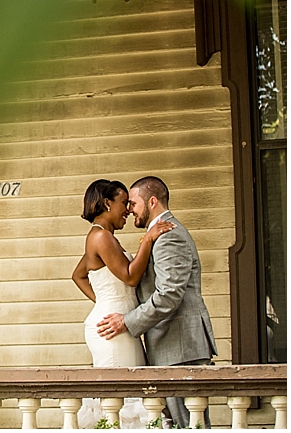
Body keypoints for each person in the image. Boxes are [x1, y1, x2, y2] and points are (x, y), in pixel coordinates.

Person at [96, 176, 218, 429]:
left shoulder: (169, 235)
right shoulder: (158, 234)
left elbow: (169, 294)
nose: (130, 209)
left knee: (189, 426)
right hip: (170, 347)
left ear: (152, 201)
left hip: (181, 347)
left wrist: (127, 322)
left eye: (133, 203)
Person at [71, 179, 174, 428]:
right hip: (113, 331)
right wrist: (147, 240)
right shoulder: (101, 237)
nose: (128, 209)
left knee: (133, 397)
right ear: (107, 203)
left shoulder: (102, 237)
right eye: (123, 203)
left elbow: (78, 274)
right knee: (122, 401)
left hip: (121, 326)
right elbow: (130, 276)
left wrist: (106, 300)